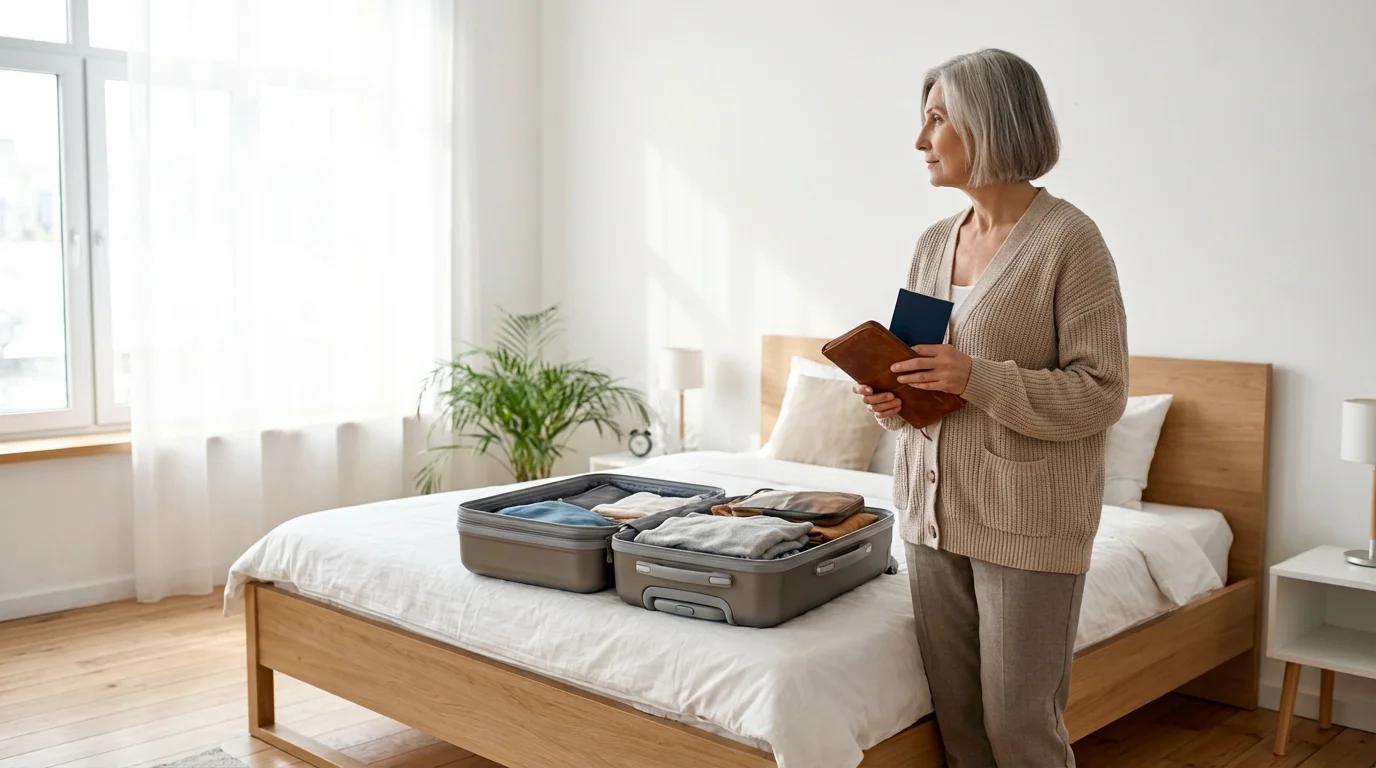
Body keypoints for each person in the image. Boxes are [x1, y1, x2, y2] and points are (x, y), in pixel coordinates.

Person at [854, 48, 1129, 767]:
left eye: (937, 120)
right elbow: (923, 387)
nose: (921, 141)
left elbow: (1102, 393)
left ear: (989, 123)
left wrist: (979, 378)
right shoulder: (931, 245)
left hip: (1028, 524)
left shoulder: (1070, 241)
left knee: (1020, 731)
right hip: (931, 517)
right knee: (963, 729)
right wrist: (891, 399)